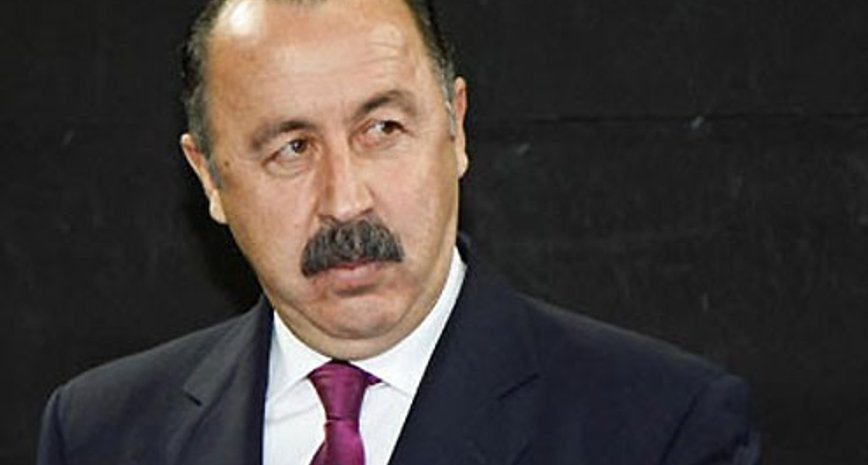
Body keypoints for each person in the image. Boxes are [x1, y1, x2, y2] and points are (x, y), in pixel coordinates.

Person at [37, 0, 761, 464]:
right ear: (209, 178)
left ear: (456, 129)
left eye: (382, 129)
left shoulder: (663, 428)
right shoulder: (99, 433)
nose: (346, 202)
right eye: (291, 148)